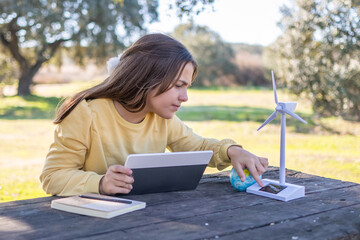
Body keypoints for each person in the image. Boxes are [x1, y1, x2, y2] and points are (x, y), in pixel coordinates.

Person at [40, 33, 268, 196]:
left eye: (187, 87)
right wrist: (100, 183)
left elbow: (197, 147)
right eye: (179, 85)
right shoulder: (86, 114)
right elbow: (53, 176)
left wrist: (233, 151)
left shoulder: (161, 117)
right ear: (147, 77)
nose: (185, 97)